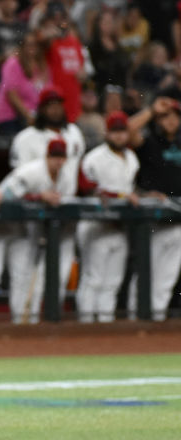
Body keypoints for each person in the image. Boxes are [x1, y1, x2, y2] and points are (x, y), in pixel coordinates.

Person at [0, 138, 74, 325]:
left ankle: (19, 323)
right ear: (47, 156)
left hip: (21, 227)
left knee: (22, 275)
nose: (58, 161)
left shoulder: (66, 177)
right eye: (55, 157)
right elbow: (4, 196)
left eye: (62, 157)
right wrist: (38, 196)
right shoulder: (31, 171)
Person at [9, 85, 84, 322]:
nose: (55, 109)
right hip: (32, 213)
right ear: (41, 109)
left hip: (64, 211)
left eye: (58, 104)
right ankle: (22, 323)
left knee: (60, 274)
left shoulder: (74, 134)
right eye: (50, 105)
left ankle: (53, 323)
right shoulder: (26, 138)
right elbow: (18, 181)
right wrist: (39, 196)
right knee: (26, 273)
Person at [74, 111, 137, 324]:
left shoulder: (132, 158)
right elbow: (84, 186)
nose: (119, 136)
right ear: (107, 132)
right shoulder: (94, 157)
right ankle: (86, 324)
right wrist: (117, 195)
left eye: (123, 131)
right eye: (115, 131)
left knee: (113, 281)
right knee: (93, 278)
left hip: (119, 227)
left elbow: (130, 189)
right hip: (95, 224)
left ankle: (105, 326)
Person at [127, 95, 181, 321]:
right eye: (165, 116)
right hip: (151, 219)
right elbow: (128, 130)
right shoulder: (150, 142)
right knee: (145, 272)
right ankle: (134, 317)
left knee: (167, 276)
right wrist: (152, 110)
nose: (171, 121)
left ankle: (156, 321)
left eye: (175, 116)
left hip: (176, 220)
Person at [0, 30, 48, 136]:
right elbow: (11, 94)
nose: (32, 48)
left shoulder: (42, 67)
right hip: (10, 117)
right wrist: (29, 117)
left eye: (35, 44)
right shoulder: (13, 63)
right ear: (22, 46)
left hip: (34, 117)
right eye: (29, 44)